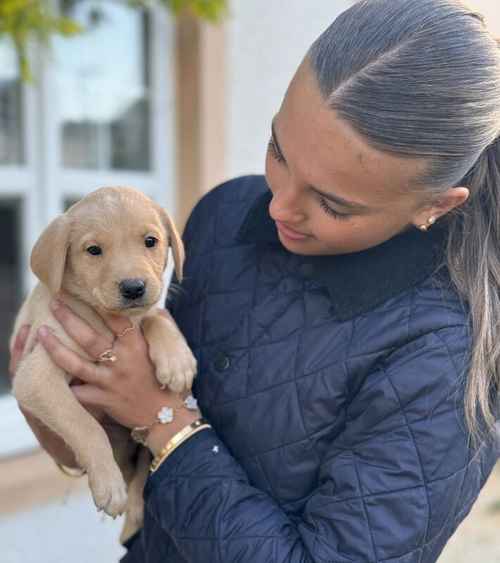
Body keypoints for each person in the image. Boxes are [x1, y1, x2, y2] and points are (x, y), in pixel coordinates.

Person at [8, 0, 500, 561]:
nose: (279, 207)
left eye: (332, 205)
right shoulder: (225, 214)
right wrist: (69, 424)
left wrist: (165, 422)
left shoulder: (447, 356)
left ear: (434, 205)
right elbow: (123, 433)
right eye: (278, 150)